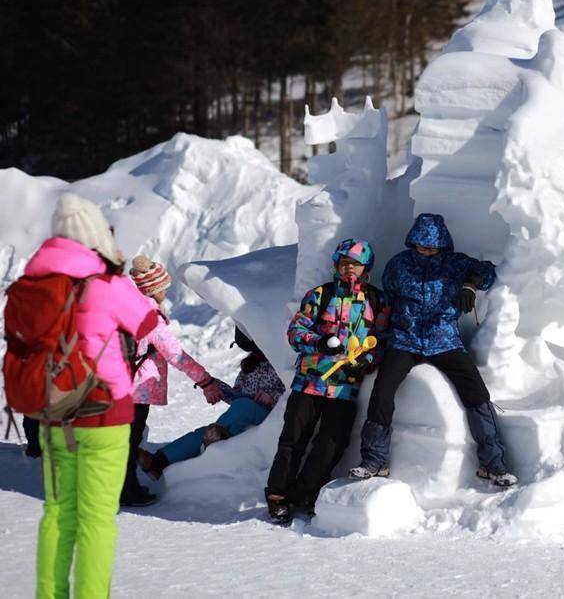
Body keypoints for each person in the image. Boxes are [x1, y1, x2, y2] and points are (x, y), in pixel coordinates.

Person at [25, 193, 161, 598]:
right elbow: (147, 322)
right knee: (96, 519)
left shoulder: (38, 280)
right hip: (104, 415)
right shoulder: (108, 282)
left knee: (58, 514)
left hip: (56, 411)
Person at [349, 213, 517, 487]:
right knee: (383, 390)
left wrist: (469, 285)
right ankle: (374, 461)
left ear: (443, 245)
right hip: (405, 339)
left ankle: (493, 464)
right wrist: (383, 335)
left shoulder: (456, 263)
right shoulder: (399, 265)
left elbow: (489, 272)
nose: (426, 251)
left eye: (432, 247)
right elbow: (388, 300)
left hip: (444, 340)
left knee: (475, 391)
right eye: (421, 245)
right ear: (412, 242)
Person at [265, 238, 386, 524]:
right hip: (310, 381)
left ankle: (305, 494)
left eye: (355, 265)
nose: (349, 270)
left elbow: (382, 339)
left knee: (332, 444)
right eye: (344, 263)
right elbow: (296, 332)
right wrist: (320, 343)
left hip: (345, 387)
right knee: (292, 440)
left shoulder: (376, 300)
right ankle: (277, 495)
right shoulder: (320, 295)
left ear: (365, 268)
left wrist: (369, 361)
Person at [120, 255, 223, 506]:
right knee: (128, 443)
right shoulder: (149, 318)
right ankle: (126, 492)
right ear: (154, 288)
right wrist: (206, 381)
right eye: (163, 286)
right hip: (135, 390)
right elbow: (176, 355)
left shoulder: (125, 308)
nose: (166, 291)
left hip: (113, 384)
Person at [137, 327, 284, 480]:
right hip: (243, 417)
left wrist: (272, 397)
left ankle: (217, 438)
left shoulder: (281, 364)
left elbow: (292, 390)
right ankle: (157, 461)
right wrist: (216, 386)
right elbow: (237, 397)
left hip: (270, 416)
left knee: (243, 407)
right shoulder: (249, 366)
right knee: (202, 433)